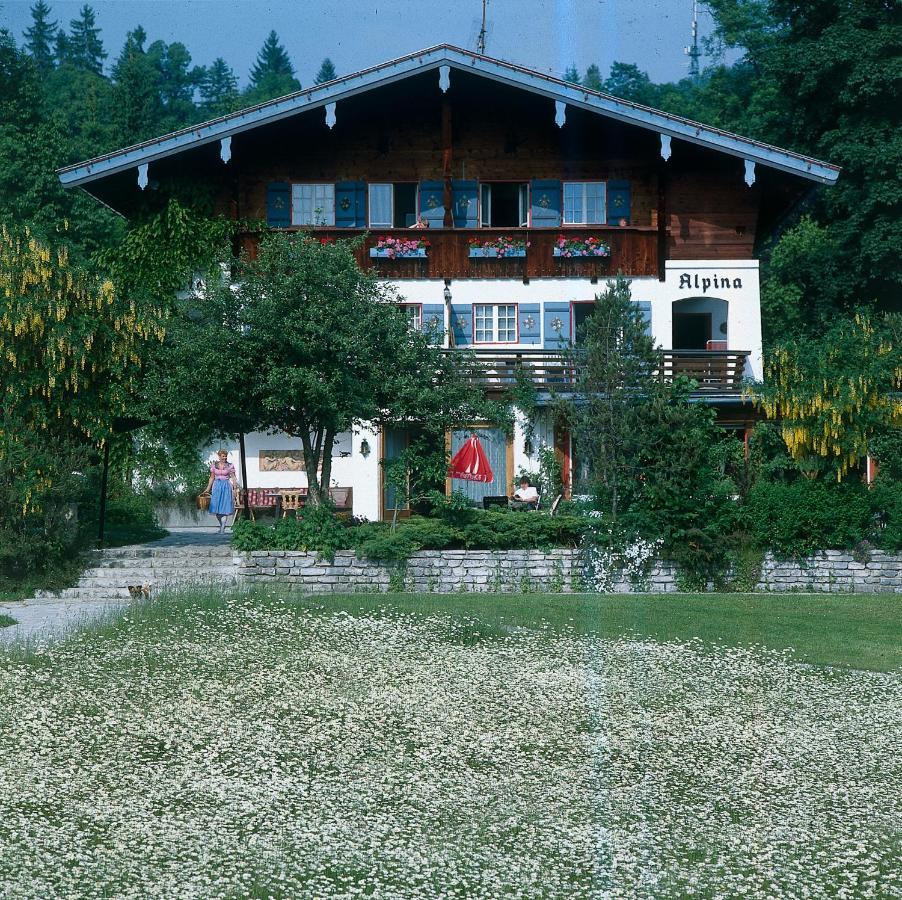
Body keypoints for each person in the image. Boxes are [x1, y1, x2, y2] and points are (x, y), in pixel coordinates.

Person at [203, 449, 239, 533]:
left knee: (225, 507)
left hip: (226, 486)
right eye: (223, 456)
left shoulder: (230, 465)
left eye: (226, 456)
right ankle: (221, 525)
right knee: (216, 507)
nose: (225, 457)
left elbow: (233, 477)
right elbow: (212, 477)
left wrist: (234, 488)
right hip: (216, 487)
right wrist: (208, 488)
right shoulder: (214, 465)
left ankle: (222, 528)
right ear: (219, 456)